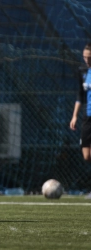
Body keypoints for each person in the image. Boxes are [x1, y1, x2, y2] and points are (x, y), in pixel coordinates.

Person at [70, 43, 91, 199]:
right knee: (86, 155)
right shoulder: (82, 71)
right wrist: (75, 116)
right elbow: (80, 95)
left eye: (89, 57)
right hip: (87, 116)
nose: (86, 60)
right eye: (84, 57)